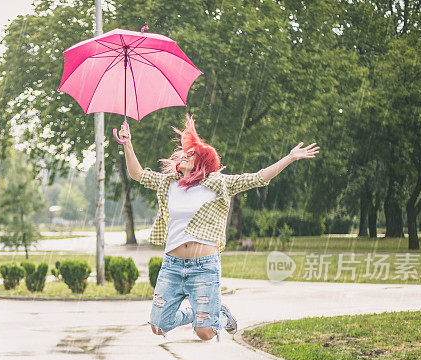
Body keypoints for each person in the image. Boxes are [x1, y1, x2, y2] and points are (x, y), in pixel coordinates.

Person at [117, 115, 319, 342]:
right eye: (185, 152)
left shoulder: (218, 183)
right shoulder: (168, 183)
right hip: (172, 266)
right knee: (159, 325)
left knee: (205, 333)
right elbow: (136, 174)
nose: (185, 155)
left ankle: (219, 316)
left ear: (202, 162)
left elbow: (259, 177)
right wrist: (127, 143)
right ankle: (202, 312)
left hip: (204, 266)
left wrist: (289, 158)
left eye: (191, 154)